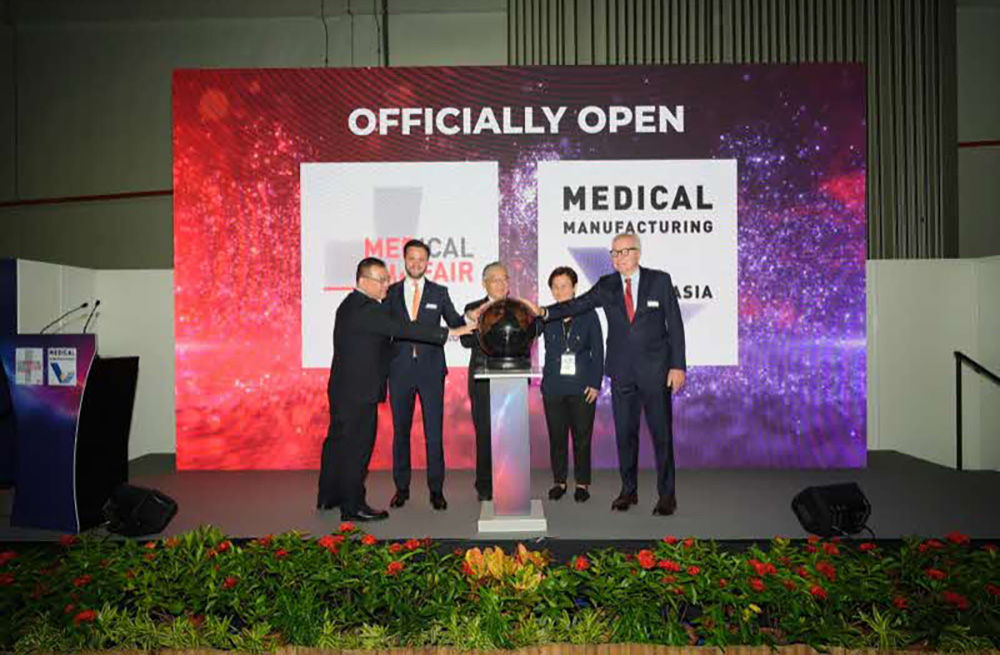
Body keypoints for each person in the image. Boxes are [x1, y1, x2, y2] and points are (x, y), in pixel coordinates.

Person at [529, 233, 686, 516]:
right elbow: (578, 304)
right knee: (625, 435)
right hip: (622, 373)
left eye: (624, 251)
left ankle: (667, 495)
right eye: (614, 253)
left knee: (661, 436)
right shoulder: (606, 285)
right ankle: (628, 491)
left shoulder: (660, 281)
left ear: (638, 253)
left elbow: (674, 324)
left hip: (656, 372)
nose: (619, 257)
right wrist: (544, 311)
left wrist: (678, 366)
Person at [317, 257, 472, 521]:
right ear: (363, 281)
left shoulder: (350, 304)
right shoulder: (368, 309)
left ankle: (329, 496)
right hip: (359, 392)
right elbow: (404, 328)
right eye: (381, 280)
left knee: (338, 444)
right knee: (357, 448)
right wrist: (449, 333)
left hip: (344, 389)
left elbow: (378, 344)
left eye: (387, 279)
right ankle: (352, 506)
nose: (386, 285)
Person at [386, 239, 467, 511]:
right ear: (404, 260)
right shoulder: (391, 292)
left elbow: (455, 322)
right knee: (400, 432)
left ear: (428, 262)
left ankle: (436, 490)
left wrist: (472, 320)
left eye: (421, 259)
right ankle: (401, 488)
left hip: (431, 372)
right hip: (399, 371)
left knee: (434, 433)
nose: (416, 263)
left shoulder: (439, 292)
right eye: (412, 258)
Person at [537, 266, 603, 503]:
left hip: (582, 387)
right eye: (555, 287)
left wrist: (595, 383)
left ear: (574, 287)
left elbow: (598, 351)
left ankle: (582, 484)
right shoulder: (546, 315)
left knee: (582, 438)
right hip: (553, 387)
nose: (560, 290)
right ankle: (560, 482)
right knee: (557, 438)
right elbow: (528, 333)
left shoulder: (589, 314)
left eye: (564, 286)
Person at [460, 261, 510, 502]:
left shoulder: (518, 308)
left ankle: (508, 481)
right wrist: (481, 320)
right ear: (485, 283)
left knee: (509, 434)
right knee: (485, 433)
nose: (501, 284)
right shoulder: (472, 309)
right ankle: (485, 485)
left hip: (511, 378)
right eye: (496, 279)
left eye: (505, 279)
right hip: (483, 378)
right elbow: (465, 341)